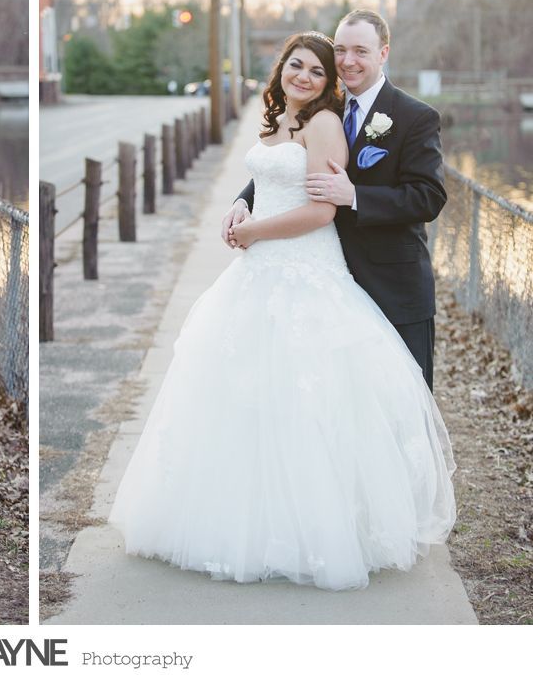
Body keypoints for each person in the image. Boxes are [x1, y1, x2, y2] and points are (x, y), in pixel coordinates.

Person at [109, 32, 456, 590]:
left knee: (319, 400)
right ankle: (241, 519)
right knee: (247, 395)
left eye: (321, 70)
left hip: (323, 267)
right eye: (300, 65)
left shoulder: (339, 121)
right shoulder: (277, 120)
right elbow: (273, 175)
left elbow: (328, 208)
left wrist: (258, 230)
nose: (309, 75)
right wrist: (240, 203)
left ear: (379, 55)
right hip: (260, 270)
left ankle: (343, 524)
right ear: (282, 69)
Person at [223, 9, 446, 389]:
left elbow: (429, 196)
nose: (348, 60)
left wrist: (356, 195)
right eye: (341, 50)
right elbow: (289, 167)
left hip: (391, 282)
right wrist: (244, 199)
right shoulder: (324, 108)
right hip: (327, 277)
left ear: (383, 52)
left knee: (401, 400)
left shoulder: (414, 116)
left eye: (361, 50)